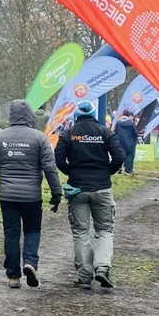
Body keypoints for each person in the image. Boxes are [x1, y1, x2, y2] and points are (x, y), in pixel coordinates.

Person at [0, 100, 63, 289]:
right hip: (32, 195)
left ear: (11, 116)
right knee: (33, 230)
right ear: (30, 116)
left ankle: (13, 276)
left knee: (11, 233)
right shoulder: (39, 138)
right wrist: (56, 193)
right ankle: (30, 262)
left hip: (7, 195)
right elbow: (50, 168)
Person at [55, 100, 125, 290]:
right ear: (94, 113)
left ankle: (84, 275)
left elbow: (59, 159)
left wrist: (72, 172)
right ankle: (102, 268)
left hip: (77, 188)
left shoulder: (68, 133)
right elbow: (119, 157)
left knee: (80, 232)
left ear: (76, 114)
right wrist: (107, 172)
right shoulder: (105, 132)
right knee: (104, 230)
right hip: (102, 187)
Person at [115, 109, 138, 175]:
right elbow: (135, 133)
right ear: (128, 115)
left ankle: (119, 168)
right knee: (129, 156)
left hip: (120, 142)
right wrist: (134, 140)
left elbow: (115, 132)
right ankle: (128, 171)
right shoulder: (131, 123)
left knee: (120, 155)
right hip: (130, 143)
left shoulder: (118, 122)